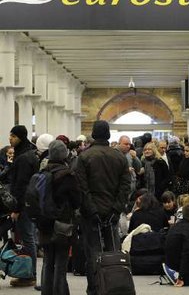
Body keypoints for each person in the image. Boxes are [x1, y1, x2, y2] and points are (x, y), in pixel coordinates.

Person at [76, 120, 131, 295]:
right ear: (108, 135)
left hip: (91, 214)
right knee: (113, 252)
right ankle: (113, 288)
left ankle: (94, 289)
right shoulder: (119, 157)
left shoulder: (84, 157)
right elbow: (125, 187)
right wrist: (116, 210)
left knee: (93, 253)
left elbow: (82, 188)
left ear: (93, 134)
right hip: (112, 213)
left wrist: (91, 210)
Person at [39, 140, 81, 295]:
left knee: (47, 262)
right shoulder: (67, 175)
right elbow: (77, 201)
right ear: (64, 154)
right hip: (63, 223)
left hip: (44, 223)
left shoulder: (42, 173)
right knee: (60, 263)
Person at [9, 125, 39, 287]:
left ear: (20, 137)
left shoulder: (24, 157)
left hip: (25, 205)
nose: (10, 138)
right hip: (29, 203)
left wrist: (16, 209)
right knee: (29, 238)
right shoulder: (27, 153)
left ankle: (30, 275)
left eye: (13, 136)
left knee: (28, 239)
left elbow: (21, 185)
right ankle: (27, 273)